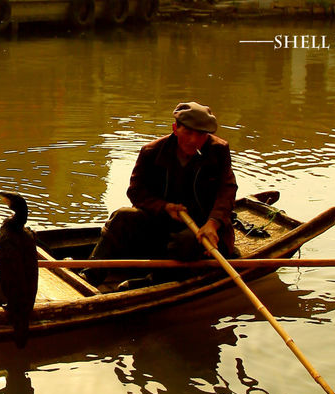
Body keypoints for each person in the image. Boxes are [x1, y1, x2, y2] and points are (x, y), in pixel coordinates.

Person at [88, 101, 237, 277]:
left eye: (201, 135)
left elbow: (227, 190)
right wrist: (165, 207)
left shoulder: (218, 150)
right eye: (187, 133)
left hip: (202, 227)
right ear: (175, 129)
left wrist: (213, 223)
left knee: (186, 244)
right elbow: (136, 192)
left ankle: (151, 281)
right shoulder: (152, 152)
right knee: (121, 217)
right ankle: (91, 274)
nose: (194, 140)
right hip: (162, 222)